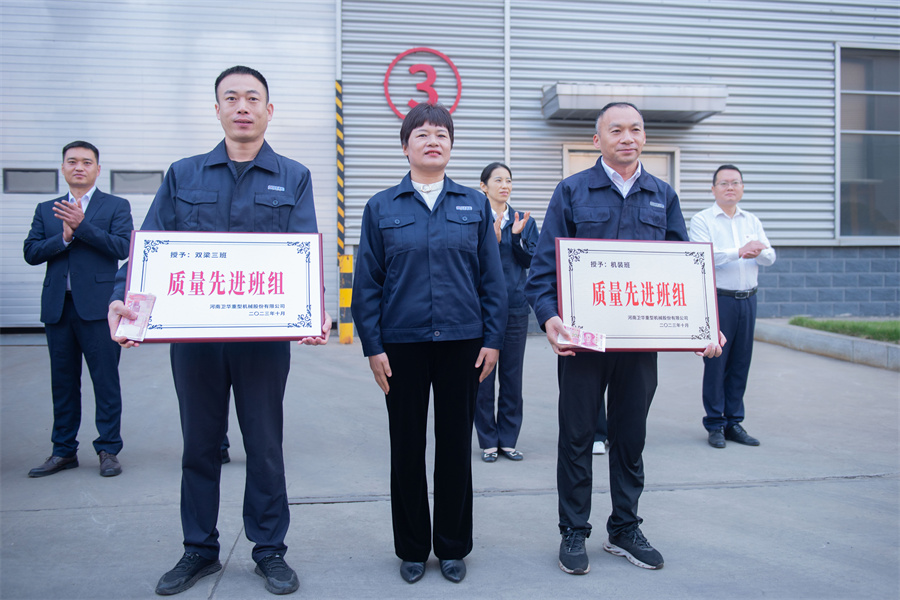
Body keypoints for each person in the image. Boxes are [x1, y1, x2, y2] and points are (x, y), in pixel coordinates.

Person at [107, 66, 331, 597]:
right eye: (231, 98)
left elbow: (301, 250)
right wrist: (124, 299)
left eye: (253, 98)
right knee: (200, 445)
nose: (242, 106)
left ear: (269, 111)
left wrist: (313, 309)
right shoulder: (183, 175)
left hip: (263, 342)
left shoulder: (293, 176)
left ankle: (269, 550)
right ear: (217, 109)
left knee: (265, 444)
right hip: (196, 341)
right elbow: (151, 245)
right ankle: (199, 549)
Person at [525, 102, 724, 576]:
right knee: (577, 437)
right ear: (597, 140)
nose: (627, 137)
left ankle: (624, 528)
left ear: (645, 137)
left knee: (630, 437)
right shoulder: (572, 191)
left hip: (638, 342)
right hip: (583, 343)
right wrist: (550, 318)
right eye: (616, 130)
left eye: (635, 129)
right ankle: (574, 529)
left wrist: (704, 321)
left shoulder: (662, 195)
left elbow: (684, 269)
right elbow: (542, 271)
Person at [351, 103, 507, 585]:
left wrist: (493, 339)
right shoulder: (381, 207)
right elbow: (367, 283)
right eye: (422, 134)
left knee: (456, 445)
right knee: (406, 446)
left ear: (451, 146)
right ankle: (413, 547)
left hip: (464, 343)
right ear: (406, 146)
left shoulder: (474, 204)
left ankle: (454, 546)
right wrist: (372, 346)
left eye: (441, 134)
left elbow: (492, 279)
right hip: (402, 345)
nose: (432, 141)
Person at [24, 141, 133, 479]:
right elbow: (31, 252)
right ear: (63, 168)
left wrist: (82, 227)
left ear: (98, 169)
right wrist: (65, 238)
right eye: (72, 161)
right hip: (58, 308)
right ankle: (63, 451)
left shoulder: (115, 206)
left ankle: (108, 449)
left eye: (87, 162)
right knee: (63, 383)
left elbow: (123, 247)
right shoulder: (47, 209)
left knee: (105, 381)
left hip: (99, 309)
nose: (79, 167)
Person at [689, 164, 775, 448]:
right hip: (718, 300)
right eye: (724, 183)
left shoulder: (752, 220)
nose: (730, 187)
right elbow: (702, 256)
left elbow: (770, 256)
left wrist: (757, 251)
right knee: (716, 361)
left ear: (742, 188)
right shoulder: (703, 220)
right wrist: (739, 251)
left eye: (735, 182)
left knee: (740, 361)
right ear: (713, 188)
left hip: (748, 299)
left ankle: (734, 422)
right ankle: (715, 423)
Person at [475, 162, 538, 463]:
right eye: (498, 180)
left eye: (509, 180)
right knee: (483, 376)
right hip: (481, 309)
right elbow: (468, 261)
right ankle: (488, 441)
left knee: (512, 376)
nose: (505, 186)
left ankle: (508, 440)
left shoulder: (523, 220)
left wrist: (515, 237)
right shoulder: (475, 219)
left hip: (515, 307)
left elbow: (531, 260)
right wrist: (492, 239)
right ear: (483, 186)